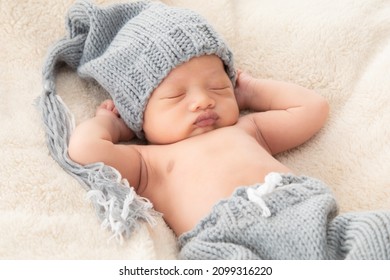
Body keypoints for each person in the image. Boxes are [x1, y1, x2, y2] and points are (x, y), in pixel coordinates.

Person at [41, 0, 390, 259]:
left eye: (218, 87)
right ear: (139, 117)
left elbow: (312, 109)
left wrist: (251, 90)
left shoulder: (247, 129)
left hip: (304, 216)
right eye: (177, 96)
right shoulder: (148, 161)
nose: (202, 102)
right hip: (226, 243)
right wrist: (107, 124)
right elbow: (85, 152)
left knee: (377, 231)